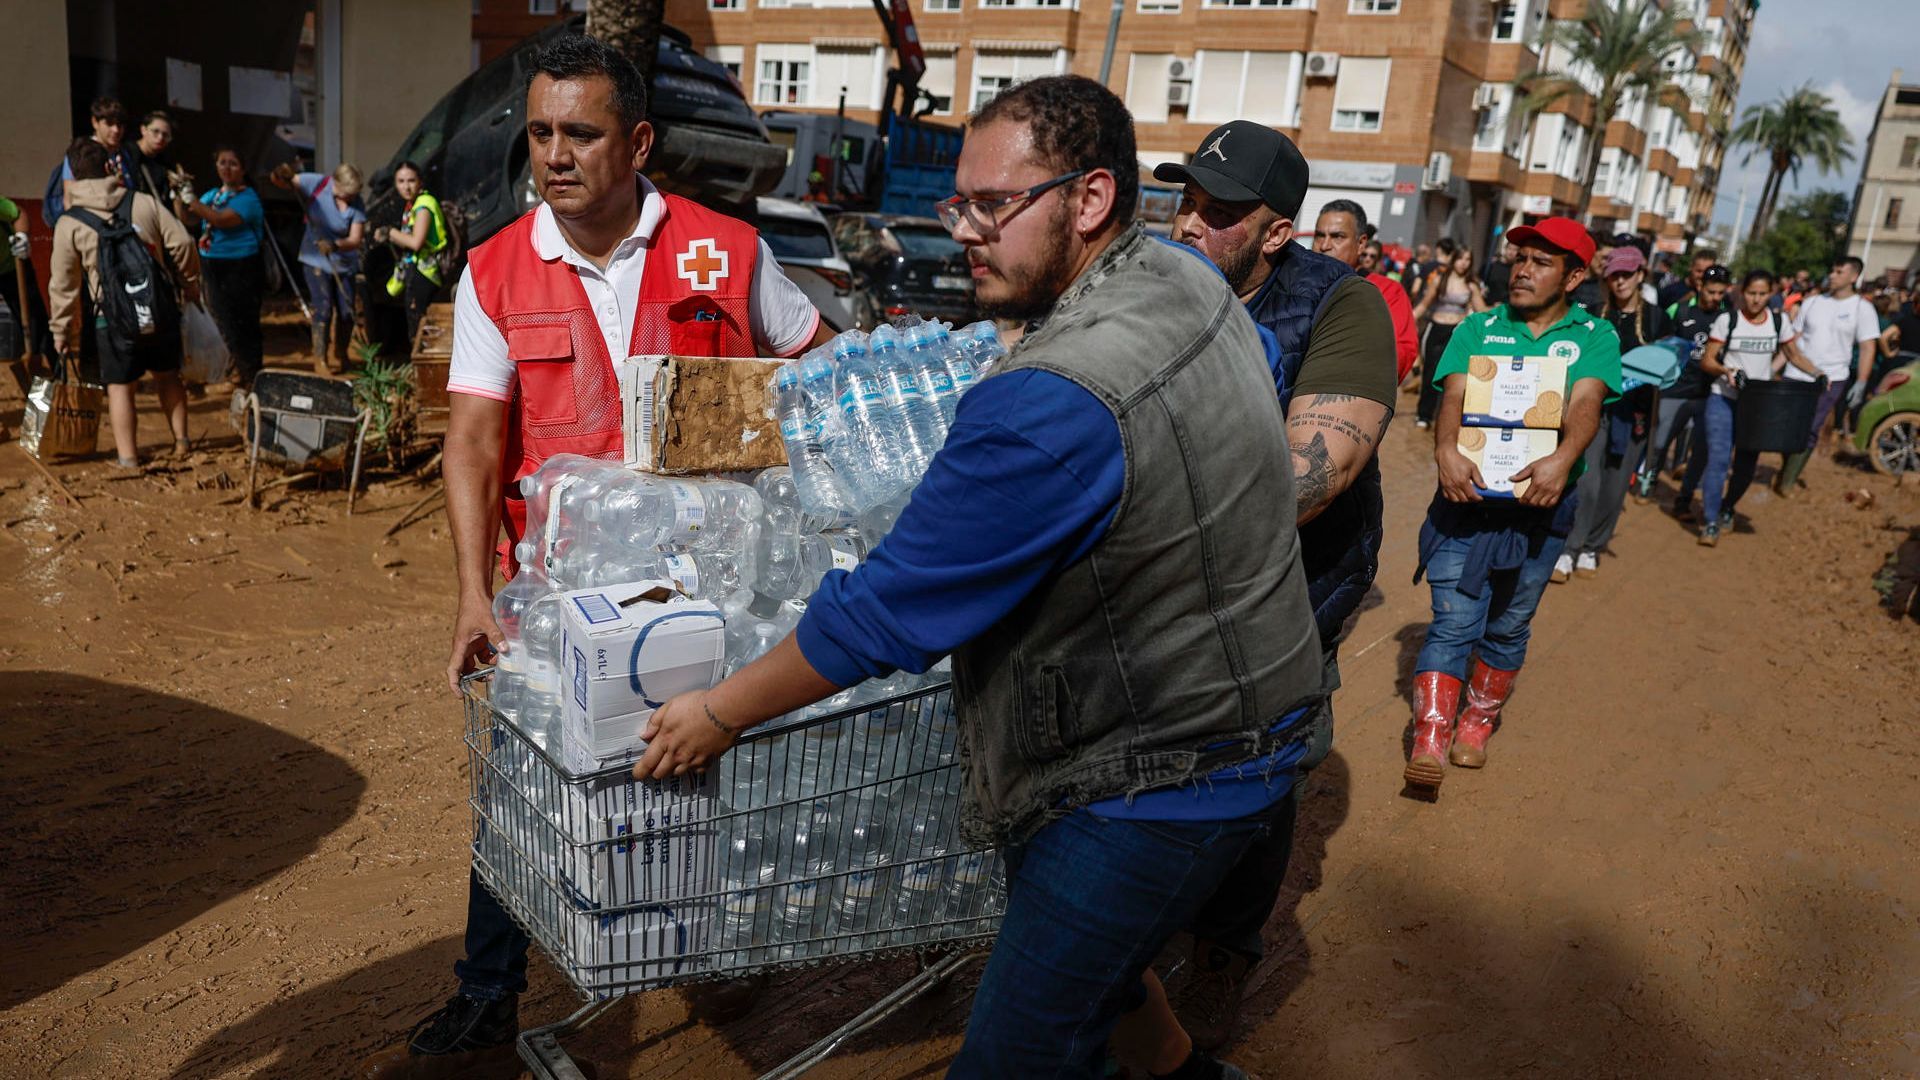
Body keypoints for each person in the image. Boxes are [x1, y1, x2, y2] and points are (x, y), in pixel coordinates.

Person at [633, 75, 1322, 1080]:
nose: (964, 230)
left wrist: (723, 712)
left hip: (1156, 775)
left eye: (993, 207)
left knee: (1018, 1051)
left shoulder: (1048, 402)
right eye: (958, 204)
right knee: (1114, 988)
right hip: (1262, 709)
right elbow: (1245, 371)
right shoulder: (1188, 282)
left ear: (1087, 202)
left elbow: (886, 613)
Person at [359, 35, 829, 1078]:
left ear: (640, 141)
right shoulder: (497, 268)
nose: (554, 154)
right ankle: (489, 990)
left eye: (581, 132)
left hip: (711, 596)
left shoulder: (727, 251)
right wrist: (473, 596)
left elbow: (821, 366)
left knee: (715, 775)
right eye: (540, 132)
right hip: (554, 591)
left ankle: (717, 953)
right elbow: (475, 441)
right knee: (521, 790)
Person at [1156, 119, 1396, 1051]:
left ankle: (1223, 951)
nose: (1189, 225)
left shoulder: (1339, 306)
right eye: (1186, 200)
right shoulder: (1151, 284)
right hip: (1156, 583)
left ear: (1276, 232)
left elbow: (1314, 478)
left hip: (1291, 587)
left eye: (1219, 213)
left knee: (1260, 767)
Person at [1406, 217, 1620, 794]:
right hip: (1466, 500)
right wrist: (1446, 449)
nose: (1521, 270)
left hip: (1544, 508)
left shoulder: (1595, 337)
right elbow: (1452, 396)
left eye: (1541, 262)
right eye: (1518, 257)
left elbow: (1586, 403)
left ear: (1575, 276)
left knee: (1508, 624)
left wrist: (1565, 456)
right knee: (1453, 622)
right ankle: (1430, 738)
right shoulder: (1477, 328)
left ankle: (1476, 722)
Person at [48, 137, 199, 468]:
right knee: (168, 375)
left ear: (71, 176)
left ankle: (128, 458)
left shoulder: (70, 222)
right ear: (108, 167)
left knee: (119, 387)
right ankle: (183, 443)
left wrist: (60, 330)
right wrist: (190, 284)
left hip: (111, 318)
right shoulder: (142, 202)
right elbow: (184, 242)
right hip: (157, 307)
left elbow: (63, 284)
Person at [1555, 244, 1669, 581]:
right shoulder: (1591, 312)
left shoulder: (1657, 318)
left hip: (1634, 414)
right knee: (1586, 480)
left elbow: (1668, 364)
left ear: (1640, 275)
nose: (1620, 281)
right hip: (1592, 409)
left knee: (1615, 485)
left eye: (1627, 274)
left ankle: (1592, 546)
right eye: (1614, 274)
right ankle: (1568, 548)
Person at [1683, 268, 1819, 544]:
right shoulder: (1727, 320)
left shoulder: (1779, 322)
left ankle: (1727, 506)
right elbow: (1707, 359)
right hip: (1723, 398)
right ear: (1741, 293)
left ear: (1771, 294)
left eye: (1762, 294)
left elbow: (1793, 354)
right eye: (1751, 293)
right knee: (1719, 460)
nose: (1756, 300)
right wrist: (1725, 371)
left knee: (1745, 466)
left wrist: (1818, 374)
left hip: (1758, 405)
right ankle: (1710, 522)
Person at [1776, 256, 1879, 493]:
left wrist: (1861, 382)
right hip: (1796, 373)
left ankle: (1787, 481)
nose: (1832, 275)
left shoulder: (1862, 309)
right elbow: (1794, 340)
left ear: (1853, 277)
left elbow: (1867, 347)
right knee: (1786, 426)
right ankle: (1786, 467)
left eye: (1839, 272)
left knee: (1811, 427)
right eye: (1832, 270)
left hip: (1832, 377)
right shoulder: (1812, 302)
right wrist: (1773, 367)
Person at [1636, 263, 1733, 497]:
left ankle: (1685, 498)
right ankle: (1647, 483)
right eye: (1711, 292)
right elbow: (1660, 343)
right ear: (1700, 286)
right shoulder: (1679, 311)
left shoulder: (1727, 317)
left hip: (1708, 393)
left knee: (1700, 450)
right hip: (1675, 389)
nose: (1715, 298)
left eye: (1721, 293)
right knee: (1659, 443)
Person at [180, 146, 268, 388]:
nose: (226, 168)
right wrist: (178, 197)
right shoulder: (213, 195)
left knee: (242, 321)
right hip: (212, 263)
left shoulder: (247, 198)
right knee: (221, 319)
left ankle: (249, 374)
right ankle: (231, 371)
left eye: (233, 163)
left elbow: (220, 220)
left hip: (241, 266)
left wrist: (192, 200)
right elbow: (188, 218)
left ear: (243, 169)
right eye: (222, 163)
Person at [271, 160, 367, 375]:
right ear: (336, 183)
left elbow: (355, 238)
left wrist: (335, 245)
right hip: (315, 260)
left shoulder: (357, 204)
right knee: (323, 308)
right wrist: (281, 174)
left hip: (343, 262)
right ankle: (320, 359)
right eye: (346, 194)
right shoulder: (317, 184)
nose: (350, 198)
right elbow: (283, 182)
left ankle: (341, 353)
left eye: (353, 194)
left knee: (346, 311)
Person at [1315, 199, 1417, 383]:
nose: (1324, 246)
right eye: (1320, 235)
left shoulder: (1387, 291)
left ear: (1361, 243)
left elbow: (1402, 352)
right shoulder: (1293, 282)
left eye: (1337, 236)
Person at [373, 161, 451, 347]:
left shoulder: (423, 206)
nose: (406, 186)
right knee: (416, 325)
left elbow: (416, 242)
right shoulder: (413, 204)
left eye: (411, 181)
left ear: (420, 182)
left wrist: (389, 233)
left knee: (420, 328)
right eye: (401, 181)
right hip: (418, 271)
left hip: (425, 274)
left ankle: (424, 371)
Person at [1411, 244, 1487, 428]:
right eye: (1461, 258)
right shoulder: (1439, 280)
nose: (1464, 263)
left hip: (1457, 333)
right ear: (1454, 259)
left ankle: (1446, 417)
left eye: (1468, 260)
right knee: (1430, 373)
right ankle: (1424, 414)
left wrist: (1504, 311)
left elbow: (1482, 310)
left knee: (1455, 376)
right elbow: (1424, 305)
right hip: (1436, 329)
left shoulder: (1471, 285)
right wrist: (1406, 321)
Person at [126, 110, 186, 216]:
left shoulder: (166, 164)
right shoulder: (126, 153)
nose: (160, 138)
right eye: (155, 132)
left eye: (166, 135)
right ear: (143, 130)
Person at [1481, 234, 1513, 307]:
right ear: (1505, 249)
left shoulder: (1515, 270)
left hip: (1504, 307)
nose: (1511, 252)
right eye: (1510, 249)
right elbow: (1479, 278)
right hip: (1486, 304)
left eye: (1514, 250)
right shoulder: (1492, 265)